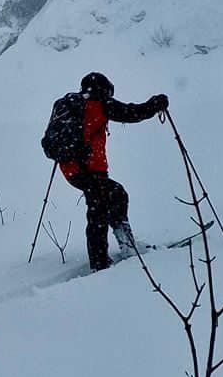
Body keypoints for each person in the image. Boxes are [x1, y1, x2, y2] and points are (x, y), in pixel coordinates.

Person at [55, 71, 169, 270]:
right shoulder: (101, 104)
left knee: (104, 202)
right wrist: (155, 104)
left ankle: (107, 255)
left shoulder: (72, 106)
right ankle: (111, 255)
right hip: (90, 169)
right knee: (108, 202)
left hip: (72, 169)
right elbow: (132, 112)